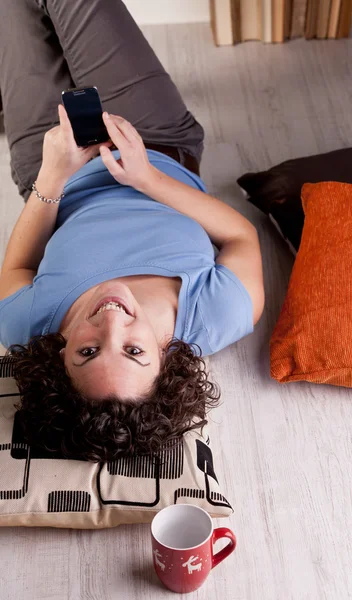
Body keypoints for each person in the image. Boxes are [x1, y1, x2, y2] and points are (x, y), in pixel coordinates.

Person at [0, 0, 264, 462]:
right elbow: (241, 236)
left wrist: (52, 175)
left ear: (59, 364)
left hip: (49, 168)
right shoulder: (218, 313)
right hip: (154, 140)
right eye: (133, 350)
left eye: (88, 351)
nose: (112, 318)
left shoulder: (28, 326)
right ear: (166, 366)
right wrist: (146, 177)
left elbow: (19, 264)